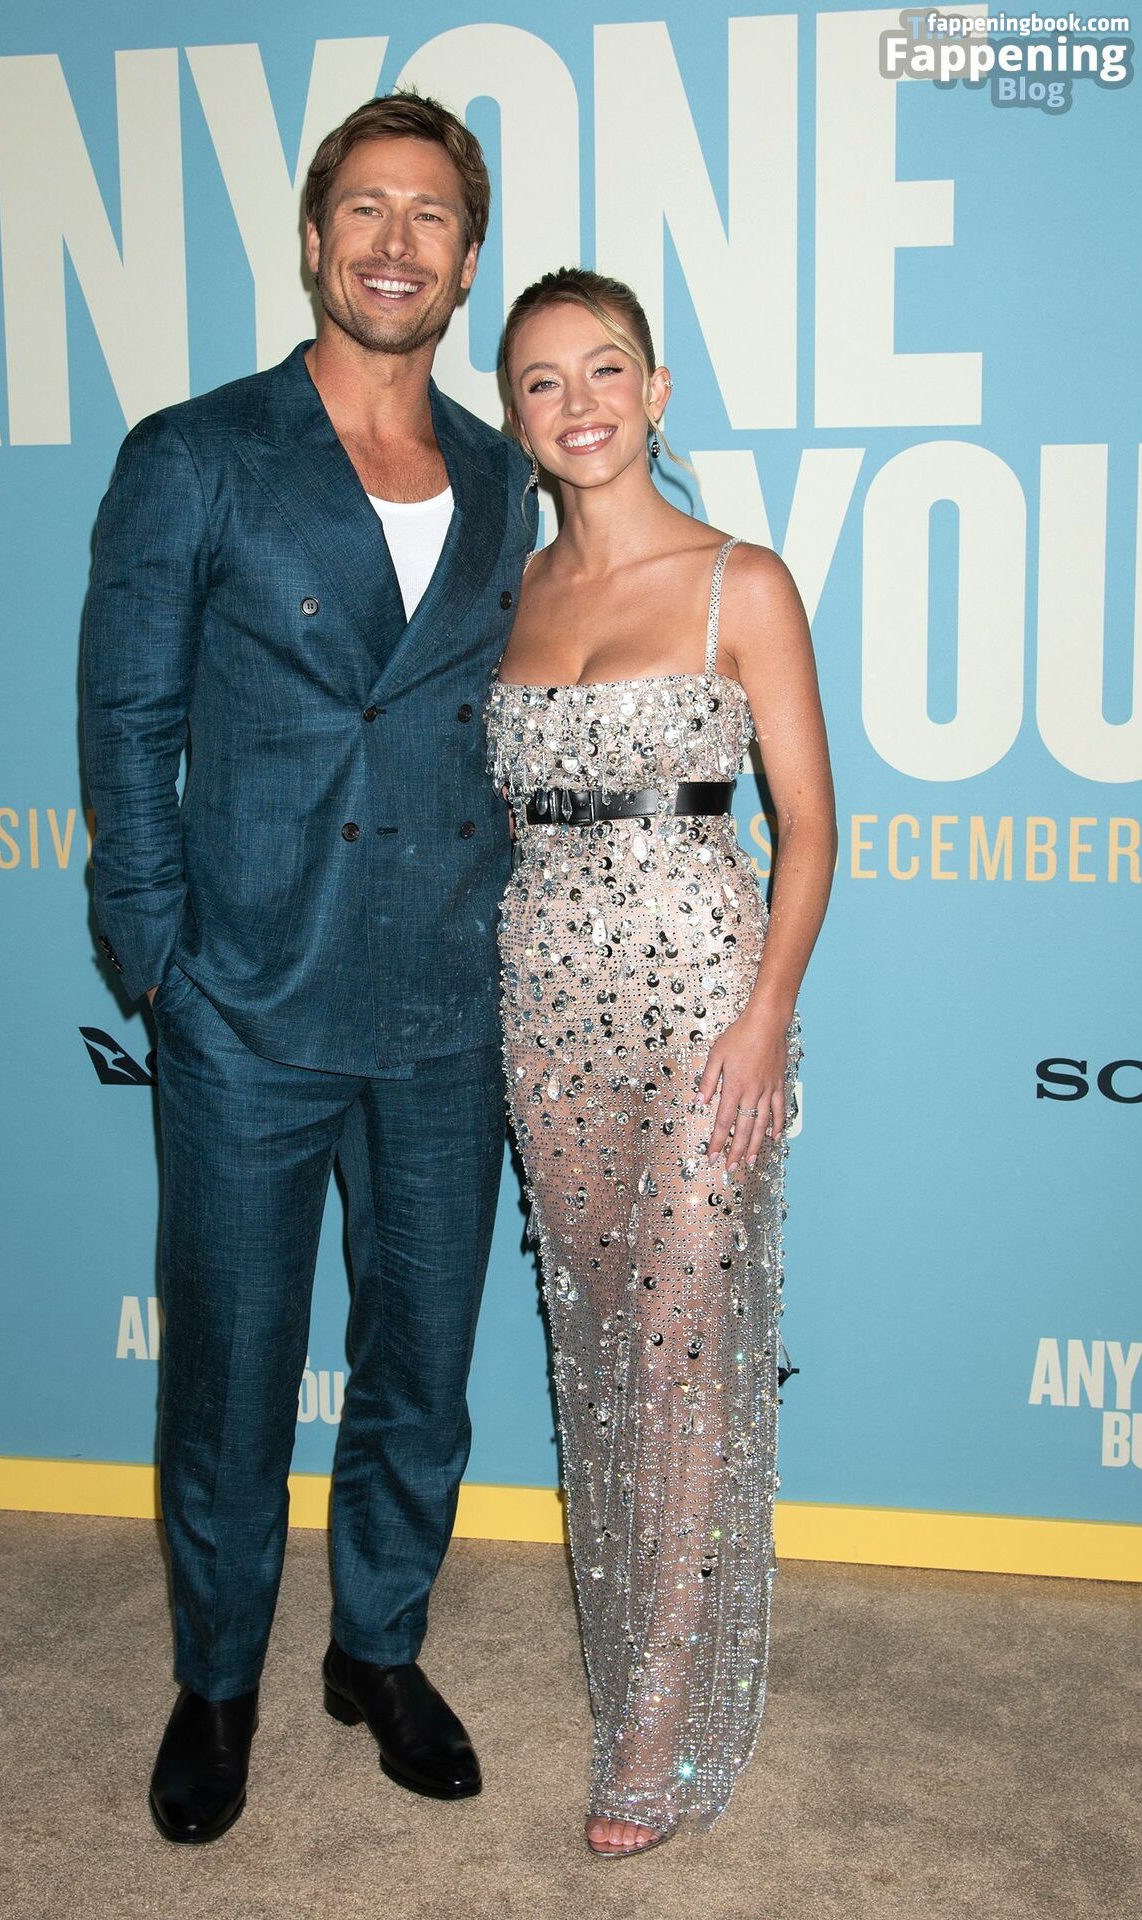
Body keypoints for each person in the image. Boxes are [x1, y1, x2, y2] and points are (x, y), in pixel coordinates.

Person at [82, 93, 537, 1843]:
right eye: (366, 208)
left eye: (431, 217)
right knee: (232, 1370)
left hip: (447, 1007)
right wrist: (160, 957)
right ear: (313, 238)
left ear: (467, 262)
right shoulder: (197, 452)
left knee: (422, 1365)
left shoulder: (503, 473)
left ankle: (378, 1648)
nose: (396, 243)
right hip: (247, 1006)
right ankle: (218, 1682)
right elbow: (127, 721)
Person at [486, 268, 836, 1856]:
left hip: (704, 1005)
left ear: (658, 390)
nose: (581, 404)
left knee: (683, 1347)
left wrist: (764, 1016)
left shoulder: (737, 583)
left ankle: (653, 1722)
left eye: (606, 369)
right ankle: (633, 1645)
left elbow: (809, 829)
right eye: (544, 381)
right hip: (544, 1007)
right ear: (517, 416)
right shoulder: (509, 593)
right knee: (597, 1344)